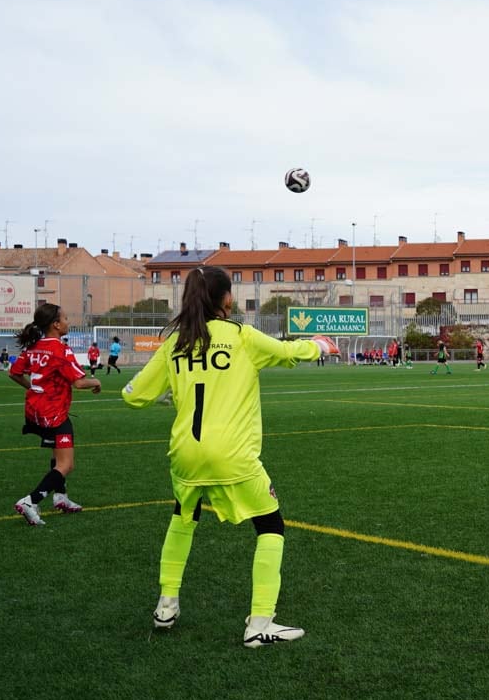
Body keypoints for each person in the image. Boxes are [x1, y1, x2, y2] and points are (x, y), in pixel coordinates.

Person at [121, 265, 338, 647]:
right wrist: (319, 345)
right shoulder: (241, 336)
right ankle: (260, 623)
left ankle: (166, 605)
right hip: (232, 454)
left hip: (185, 453)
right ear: (227, 299)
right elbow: (288, 352)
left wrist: (173, 386)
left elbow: (134, 395)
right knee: (271, 526)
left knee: (183, 517)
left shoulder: (176, 343)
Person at [7, 304, 102, 525]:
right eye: (66, 318)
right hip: (54, 414)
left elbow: (14, 373)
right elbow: (78, 382)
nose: (69, 322)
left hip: (35, 412)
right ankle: (31, 501)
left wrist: (33, 388)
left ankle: (61, 497)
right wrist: (96, 381)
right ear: (56, 325)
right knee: (67, 464)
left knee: (57, 456)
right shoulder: (61, 350)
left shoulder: (34, 347)